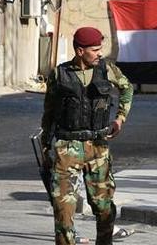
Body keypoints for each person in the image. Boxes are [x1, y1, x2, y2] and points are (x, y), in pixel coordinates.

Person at [40, 27, 134, 245]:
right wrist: (46, 145)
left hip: (98, 147)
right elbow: (49, 111)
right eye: (95, 50)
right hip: (67, 147)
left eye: (100, 49)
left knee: (104, 209)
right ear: (80, 51)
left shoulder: (107, 70)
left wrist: (120, 118)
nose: (100, 53)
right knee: (63, 211)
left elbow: (127, 89)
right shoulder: (59, 74)